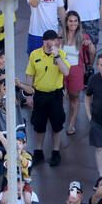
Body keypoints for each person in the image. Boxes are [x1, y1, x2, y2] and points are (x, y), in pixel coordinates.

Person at [26, 30, 71, 168]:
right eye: (50, 40)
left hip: (55, 95)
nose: (53, 43)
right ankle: (38, 151)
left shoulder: (61, 54)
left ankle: (56, 151)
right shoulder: (35, 54)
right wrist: (29, 94)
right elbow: (29, 74)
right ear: (44, 41)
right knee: (39, 125)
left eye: (55, 40)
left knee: (57, 125)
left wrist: (56, 56)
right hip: (40, 94)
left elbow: (66, 72)